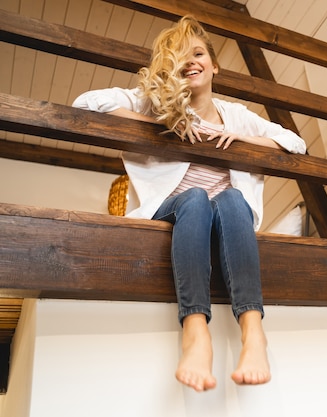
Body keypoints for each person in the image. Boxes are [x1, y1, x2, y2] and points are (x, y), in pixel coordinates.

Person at [73, 15, 306, 391]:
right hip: (178, 211)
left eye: (198, 53)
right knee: (195, 197)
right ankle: (196, 333)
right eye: (180, 57)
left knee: (232, 197)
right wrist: (162, 126)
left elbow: (295, 143)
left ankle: (254, 332)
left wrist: (239, 139)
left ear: (214, 65)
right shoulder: (153, 104)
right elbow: (87, 102)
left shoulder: (236, 116)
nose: (191, 61)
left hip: (229, 217)